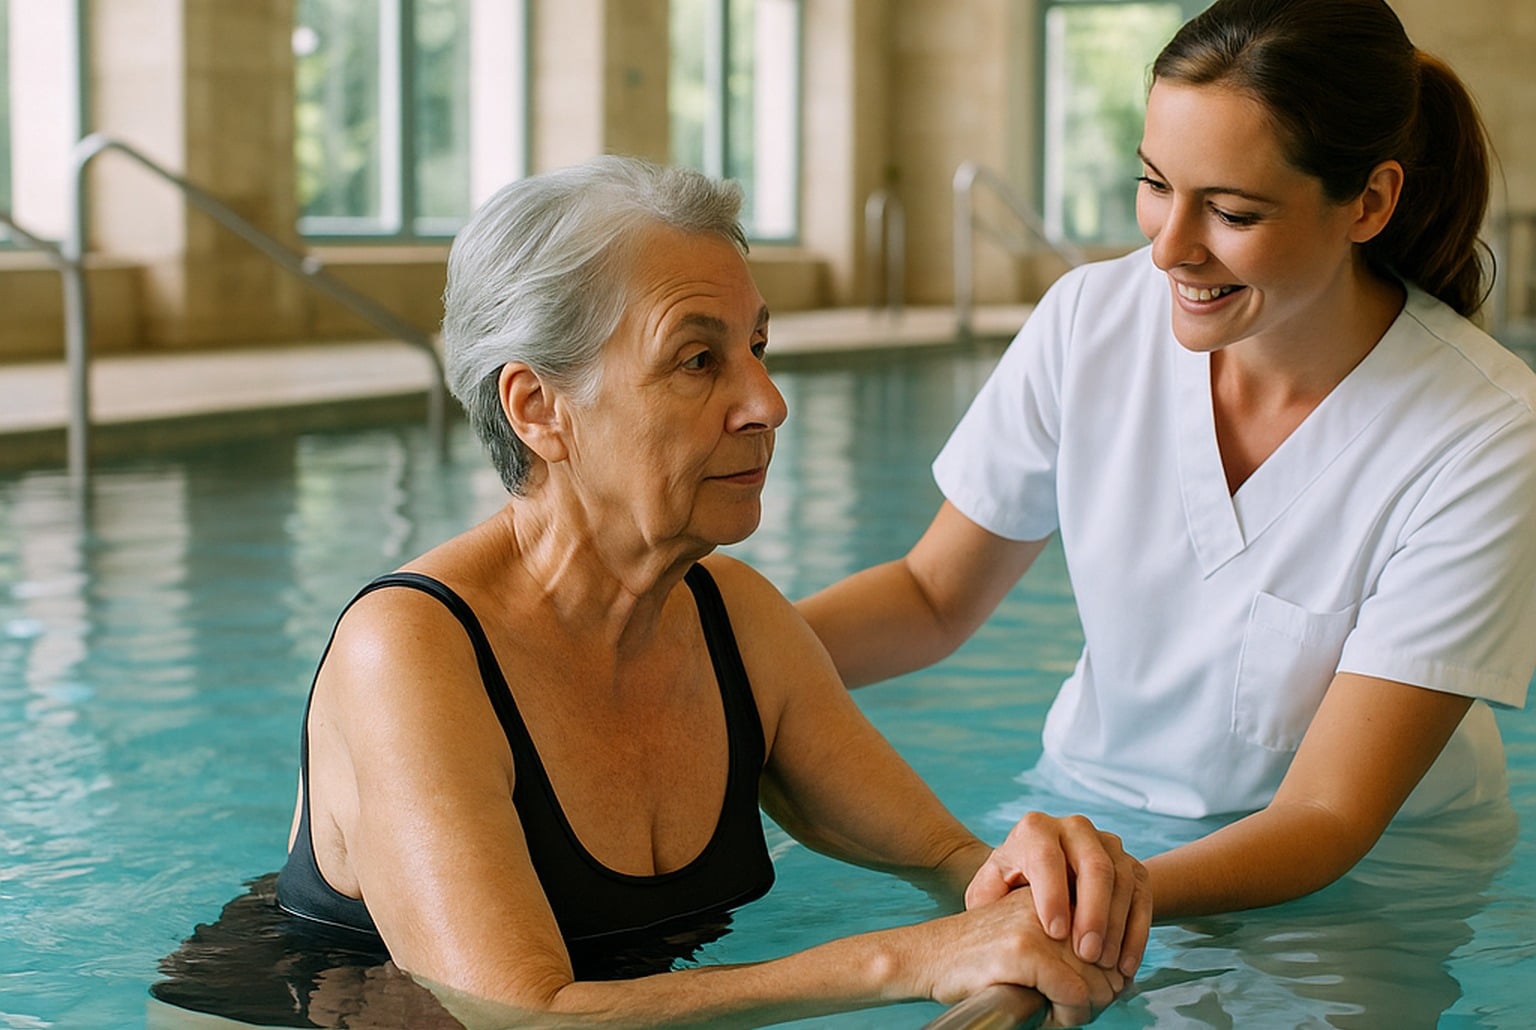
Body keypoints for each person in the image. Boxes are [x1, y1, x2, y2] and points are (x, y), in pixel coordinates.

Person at [268, 154, 1149, 1029]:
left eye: (757, 347)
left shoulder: (735, 619)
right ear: (538, 408)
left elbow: (954, 862)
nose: (766, 401)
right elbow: (519, 1015)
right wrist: (907, 960)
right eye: (697, 360)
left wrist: (1036, 871)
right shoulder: (410, 651)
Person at [799, 0, 1536, 923]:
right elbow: (931, 596)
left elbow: (1329, 813)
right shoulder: (1087, 321)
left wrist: (1095, 900)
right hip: (1086, 820)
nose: (1169, 247)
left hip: (1365, 888)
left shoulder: (1483, 432)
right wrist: (710, 660)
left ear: (1370, 202)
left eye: (1231, 210)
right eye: (1154, 183)